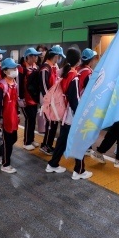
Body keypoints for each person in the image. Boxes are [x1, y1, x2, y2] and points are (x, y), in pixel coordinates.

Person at [45, 48, 92, 180]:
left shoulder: (65, 73)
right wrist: (80, 115)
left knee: (63, 140)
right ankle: (79, 170)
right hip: (72, 114)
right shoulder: (74, 77)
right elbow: (75, 99)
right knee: (79, 140)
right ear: (78, 60)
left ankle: (53, 164)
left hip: (66, 113)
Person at [0, 58, 21, 173]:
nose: (15, 70)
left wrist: (17, 114)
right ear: (5, 71)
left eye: (15, 68)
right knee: (8, 142)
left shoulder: (14, 83)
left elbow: (15, 102)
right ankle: (5, 164)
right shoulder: (1, 86)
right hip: (5, 119)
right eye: (12, 68)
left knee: (14, 138)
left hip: (13, 117)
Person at [38, 45, 65, 155]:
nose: (59, 59)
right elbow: (44, 88)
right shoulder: (45, 69)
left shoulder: (54, 66)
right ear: (56, 56)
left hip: (53, 101)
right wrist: (49, 102)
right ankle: (45, 145)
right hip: (48, 101)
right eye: (59, 57)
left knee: (53, 124)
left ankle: (48, 144)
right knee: (50, 124)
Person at [76, 48, 98, 156]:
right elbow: (91, 90)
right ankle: (86, 148)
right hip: (85, 104)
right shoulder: (88, 73)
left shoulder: (77, 69)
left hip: (77, 102)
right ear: (91, 60)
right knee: (87, 126)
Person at [19, 47, 42, 150]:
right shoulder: (22, 68)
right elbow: (19, 84)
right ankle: (26, 142)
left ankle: (31, 139)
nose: (36, 58)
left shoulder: (35, 67)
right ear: (28, 57)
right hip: (26, 99)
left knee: (33, 119)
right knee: (29, 119)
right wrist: (20, 98)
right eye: (34, 56)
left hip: (33, 98)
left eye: (36, 55)